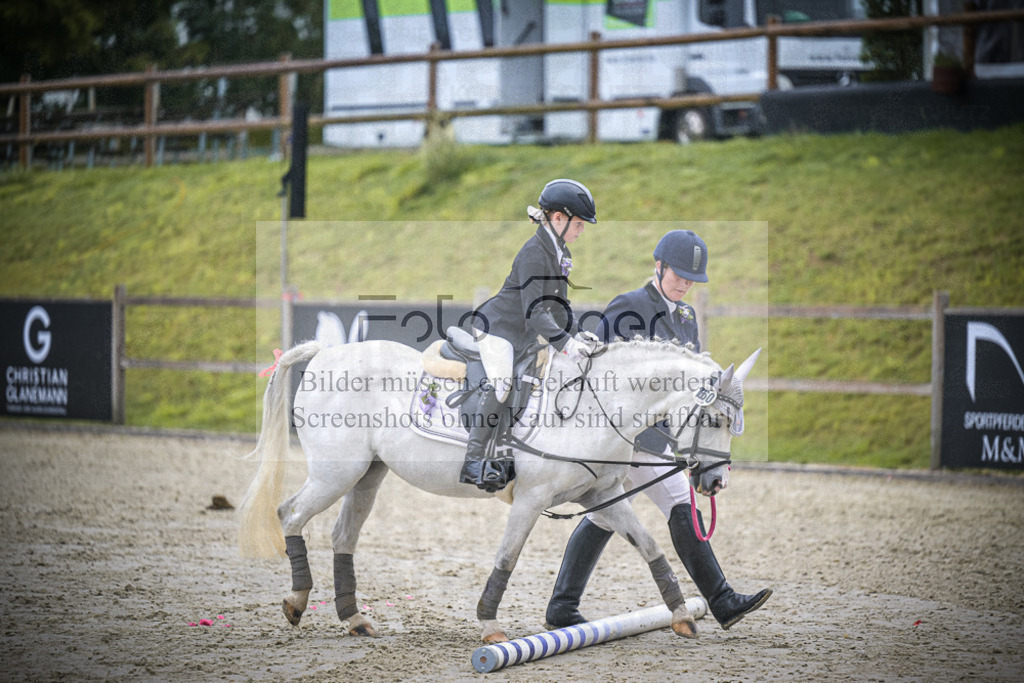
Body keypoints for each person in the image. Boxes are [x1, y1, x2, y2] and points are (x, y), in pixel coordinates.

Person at [545, 229, 772, 631]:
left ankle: (562, 607)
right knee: (677, 503)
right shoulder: (629, 307)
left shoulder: (686, 318)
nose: (685, 284)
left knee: (605, 516)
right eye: (679, 275)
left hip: (664, 436)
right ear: (659, 266)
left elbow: (691, 390)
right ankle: (722, 599)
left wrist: (692, 449)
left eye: (692, 279)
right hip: (625, 436)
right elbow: (596, 364)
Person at [459, 178, 597, 493]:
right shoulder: (535, 252)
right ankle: (473, 458)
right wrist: (565, 345)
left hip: (521, 333)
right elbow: (535, 312)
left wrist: (579, 336)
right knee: (502, 383)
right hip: (498, 328)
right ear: (558, 218)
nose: (582, 230)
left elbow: (559, 308)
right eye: (579, 223)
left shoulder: (560, 251)